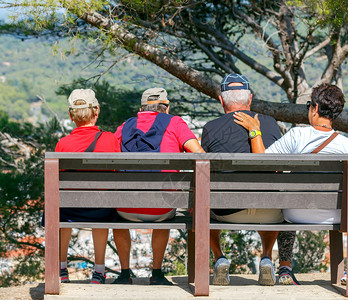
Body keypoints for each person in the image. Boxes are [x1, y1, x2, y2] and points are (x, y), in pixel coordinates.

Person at [233, 83, 348, 293]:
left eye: (309, 105)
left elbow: (263, 164)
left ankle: (285, 268)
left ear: (315, 108)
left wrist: (255, 131)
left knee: (285, 200)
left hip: (295, 213)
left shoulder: (296, 136)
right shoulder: (347, 146)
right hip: (336, 215)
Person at [201, 73, 290, 286]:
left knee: (202, 200)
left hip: (226, 212)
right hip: (269, 213)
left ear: (222, 101)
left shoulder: (211, 128)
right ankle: (267, 257)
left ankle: (219, 257)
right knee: (270, 196)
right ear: (250, 100)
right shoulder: (269, 124)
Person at [112, 87, 204, 285]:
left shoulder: (125, 126)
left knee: (116, 211)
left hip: (125, 208)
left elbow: (109, 153)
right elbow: (200, 154)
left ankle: (125, 274)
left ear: (142, 109)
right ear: (167, 107)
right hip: (161, 209)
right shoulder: (175, 123)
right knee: (164, 203)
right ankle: (157, 273)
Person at [54, 89, 121, 284]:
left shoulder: (63, 144)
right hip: (101, 210)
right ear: (96, 111)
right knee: (101, 205)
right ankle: (99, 272)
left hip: (70, 208)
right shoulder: (110, 139)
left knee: (60, 208)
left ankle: (61, 269)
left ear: (71, 115)